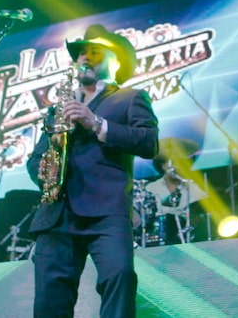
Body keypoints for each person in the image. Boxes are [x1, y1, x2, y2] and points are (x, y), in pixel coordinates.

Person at [26, 24, 159, 317]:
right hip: (56, 214)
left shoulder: (130, 97)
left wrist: (95, 122)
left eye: (94, 52)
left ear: (115, 60)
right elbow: (35, 158)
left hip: (106, 212)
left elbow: (149, 143)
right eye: (81, 54)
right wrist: (44, 171)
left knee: (119, 278)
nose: (84, 58)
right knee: (50, 301)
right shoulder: (56, 110)